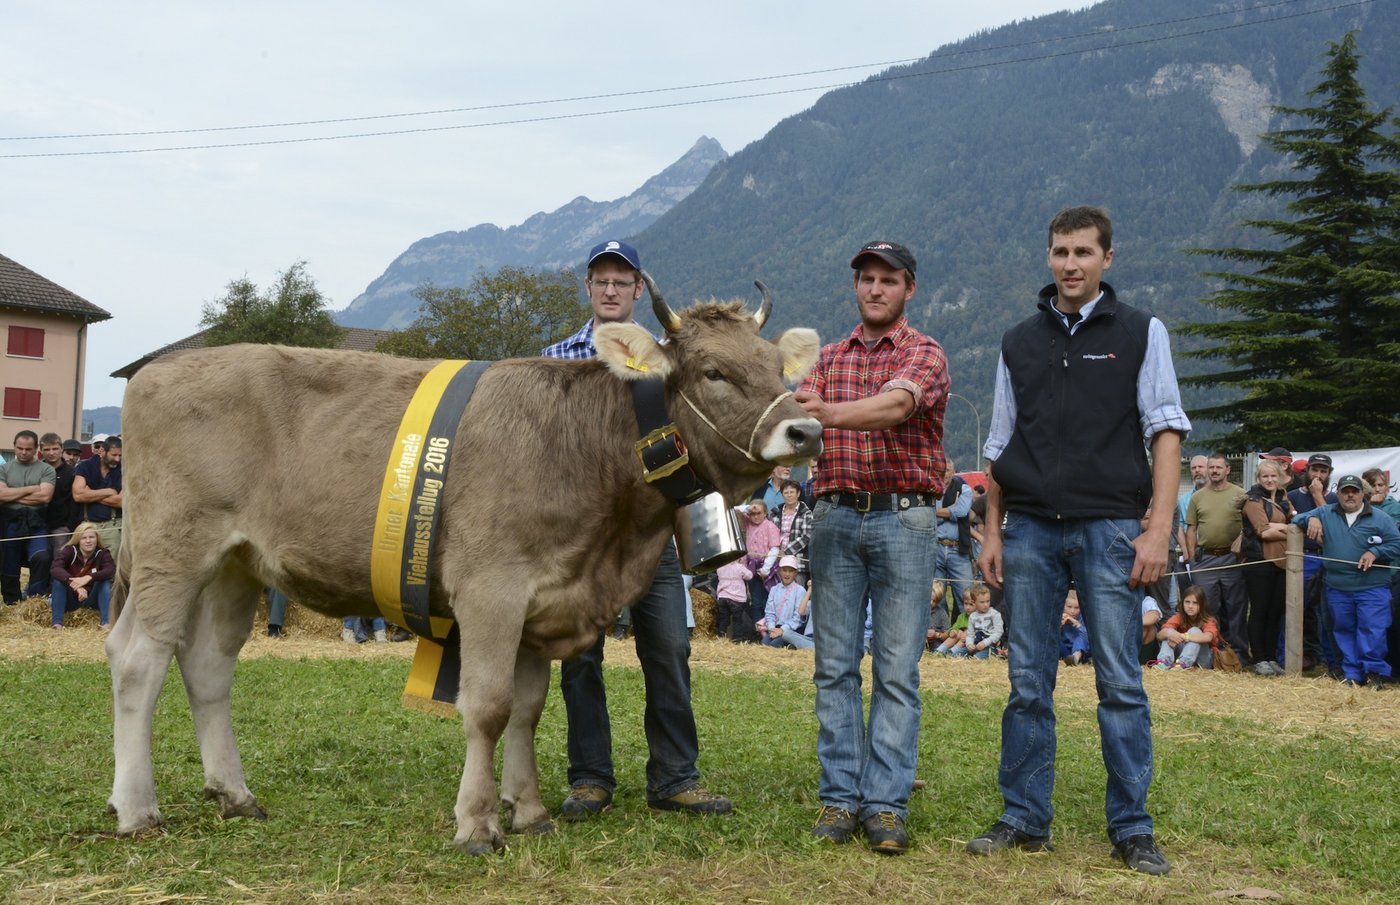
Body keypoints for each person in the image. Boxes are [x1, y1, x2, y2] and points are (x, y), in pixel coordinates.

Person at [969, 206, 1189, 876]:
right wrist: (993, 529)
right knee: (1027, 682)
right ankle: (1024, 816)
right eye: (1061, 252)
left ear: (1107, 258)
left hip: (1111, 526)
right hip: (1030, 528)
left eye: (1084, 252)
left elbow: (1166, 430)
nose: (1071, 264)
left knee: (1120, 681)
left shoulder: (1141, 331)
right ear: (1049, 256)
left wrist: (1157, 528)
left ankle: (1132, 827)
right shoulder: (1018, 341)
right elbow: (1000, 443)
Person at [541, 238, 730, 819]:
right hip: (585, 539)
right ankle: (590, 778)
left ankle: (675, 778)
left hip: (653, 533)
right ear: (588, 287)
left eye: (622, 281)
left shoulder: (668, 362)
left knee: (670, 647)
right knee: (580, 656)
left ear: (639, 289)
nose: (610, 289)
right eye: (601, 279)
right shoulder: (555, 358)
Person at [795, 239, 950, 855]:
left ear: (909, 288)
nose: (876, 289)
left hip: (904, 517)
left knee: (896, 670)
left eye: (889, 279)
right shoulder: (826, 358)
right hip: (834, 517)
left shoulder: (924, 352)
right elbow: (797, 420)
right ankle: (840, 797)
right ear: (856, 286)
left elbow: (897, 405)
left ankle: (885, 804)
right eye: (867, 279)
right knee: (833, 667)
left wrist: (826, 414)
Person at [1292, 475, 1400, 689]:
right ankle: (1352, 674)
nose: (1350, 495)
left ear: (1362, 494)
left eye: (1354, 491)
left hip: (1372, 587)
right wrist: (1311, 518)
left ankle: (1374, 673)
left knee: (1373, 631)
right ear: (1338, 493)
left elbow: (1396, 543)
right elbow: (1296, 519)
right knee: (1343, 630)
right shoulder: (1326, 512)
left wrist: (1376, 552)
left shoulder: (1380, 518)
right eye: (1345, 491)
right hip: (1338, 587)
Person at [1184, 453, 1248, 658]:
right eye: (1211, 467)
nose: (1214, 471)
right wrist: (1191, 557)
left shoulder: (1241, 494)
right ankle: (1212, 653)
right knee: (1208, 608)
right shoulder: (1197, 497)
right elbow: (1191, 529)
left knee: (1236, 607)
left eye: (1219, 467)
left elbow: (1249, 525)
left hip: (1233, 557)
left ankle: (1238, 653)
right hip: (1205, 559)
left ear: (1227, 470)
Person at [1239, 459, 1295, 675]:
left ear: (1280, 478)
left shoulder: (1283, 499)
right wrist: (1289, 530)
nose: (1270, 480)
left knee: (1275, 612)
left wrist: (1280, 526)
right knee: (1259, 610)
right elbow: (1263, 532)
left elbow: (1296, 522)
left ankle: (1271, 657)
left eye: (1273, 476)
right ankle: (1259, 658)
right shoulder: (1253, 500)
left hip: (1281, 563)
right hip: (1259, 562)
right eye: (1265, 476)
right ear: (1258, 478)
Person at [1289, 453, 1341, 676]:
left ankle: (1333, 664)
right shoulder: (1293, 495)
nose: (1318, 475)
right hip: (1302, 557)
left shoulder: (1335, 499)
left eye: (1323, 471)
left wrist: (1318, 497)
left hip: (1328, 557)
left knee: (1329, 613)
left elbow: (1335, 528)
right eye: (1314, 470)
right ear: (1307, 471)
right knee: (1296, 609)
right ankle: (1290, 659)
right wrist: (1310, 517)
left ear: (1329, 474)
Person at [1, 430, 56, 604]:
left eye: (28, 449)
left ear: (36, 449)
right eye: (20, 448)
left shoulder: (46, 469)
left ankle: (34, 600)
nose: (23, 452)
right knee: (8, 561)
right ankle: (12, 602)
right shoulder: (4, 468)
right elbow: (1, 495)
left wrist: (12, 494)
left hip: (37, 522)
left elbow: (44, 497)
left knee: (42, 557)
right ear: (14, 447)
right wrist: (31, 488)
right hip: (10, 522)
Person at [49, 521, 115, 629]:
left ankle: (106, 623)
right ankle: (57, 624)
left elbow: (110, 570)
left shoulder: (103, 553)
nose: (88, 541)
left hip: (92, 599)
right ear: (78, 540)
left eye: (91, 537)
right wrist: (75, 584)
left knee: (105, 582)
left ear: (97, 539)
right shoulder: (69, 550)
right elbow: (55, 568)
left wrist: (88, 578)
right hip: (70, 599)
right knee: (58, 581)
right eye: (84, 538)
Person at [72, 434, 123, 556]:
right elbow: (78, 495)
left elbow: (121, 501)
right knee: (87, 563)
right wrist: (109, 491)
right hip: (88, 525)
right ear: (102, 451)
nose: (117, 459)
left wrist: (90, 493)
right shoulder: (85, 466)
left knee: (111, 565)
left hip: (113, 526)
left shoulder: (123, 470)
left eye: (120, 455)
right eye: (114, 455)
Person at [933, 460, 975, 607]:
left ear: (954, 472)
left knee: (968, 597)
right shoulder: (931, 490)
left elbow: (962, 511)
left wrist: (935, 512)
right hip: (935, 548)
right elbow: (928, 518)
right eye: (941, 470)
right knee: (936, 600)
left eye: (947, 470)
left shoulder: (965, 489)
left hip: (958, 549)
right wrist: (951, 510)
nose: (944, 474)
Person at [1152, 585, 1218, 670]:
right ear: (1182, 603)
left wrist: (1183, 636)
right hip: (1180, 657)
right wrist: (1170, 634)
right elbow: (1159, 635)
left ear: (1202, 605)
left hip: (1202, 661)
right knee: (1169, 632)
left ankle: (1183, 664)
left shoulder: (1208, 620)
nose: (1190, 606)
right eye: (1187, 602)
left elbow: (1208, 637)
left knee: (1195, 630)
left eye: (1195, 603)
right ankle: (1164, 662)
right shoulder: (1179, 617)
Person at [762, 556, 813, 650]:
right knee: (764, 643)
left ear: (795, 573)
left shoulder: (800, 590)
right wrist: (771, 628)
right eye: (784, 570)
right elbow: (769, 612)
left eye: (791, 571)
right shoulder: (774, 590)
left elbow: (798, 618)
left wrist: (782, 629)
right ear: (779, 571)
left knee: (774, 645)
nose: (787, 574)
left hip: (793, 629)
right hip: (775, 628)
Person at [769, 479, 813, 587]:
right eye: (786, 492)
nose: (789, 495)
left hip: (797, 563)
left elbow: (807, 536)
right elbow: (768, 534)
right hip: (776, 561)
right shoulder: (775, 513)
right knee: (775, 593)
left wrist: (786, 551)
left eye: (792, 492)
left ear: (798, 493)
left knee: (796, 593)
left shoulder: (806, 513)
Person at [713, 557, 755, 643]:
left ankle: (721, 637)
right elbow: (749, 576)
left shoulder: (720, 567)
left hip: (723, 596)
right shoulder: (739, 567)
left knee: (723, 619)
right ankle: (737, 639)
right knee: (737, 620)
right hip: (736, 598)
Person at [963, 583, 1003, 660]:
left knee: (975, 659)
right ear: (974, 602)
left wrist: (985, 643)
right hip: (976, 645)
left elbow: (998, 633)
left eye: (988, 601)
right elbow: (970, 635)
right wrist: (969, 644)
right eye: (982, 602)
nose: (985, 605)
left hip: (990, 647)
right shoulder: (972, 616)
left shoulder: (995, 614)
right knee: (957, 653)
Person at [933, 589, 975, 657]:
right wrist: (953, 631)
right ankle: (940, 650)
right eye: (966, 604)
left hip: (971, 644)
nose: (968, 607)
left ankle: (951, 652)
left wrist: (968, 636)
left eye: (971, 604)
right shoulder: (962, 616)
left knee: (964, 633)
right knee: (957, 633)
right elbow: (955, 626)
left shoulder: (979, 618)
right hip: (961, 640)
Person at [1060, 592, 1090, 666]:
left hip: (1082, 651)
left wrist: (1076, 624)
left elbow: (1089, 637)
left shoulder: (1084, 617)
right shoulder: (1058, 616)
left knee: (1080, 638)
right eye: (1069, 607)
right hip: (1065, 650)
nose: (1072, 611)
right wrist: (1059, 625)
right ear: (1063, 606)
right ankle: (1070, 659)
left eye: (1077, 608)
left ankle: (1075, 658)